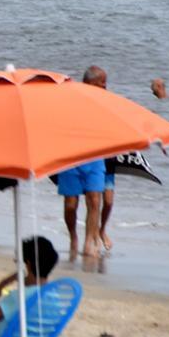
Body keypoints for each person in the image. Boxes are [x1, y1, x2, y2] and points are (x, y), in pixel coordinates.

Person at [56, 65, 110, 257]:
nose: (105, 86)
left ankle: (89, 241)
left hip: (95, 156)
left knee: (95, 200)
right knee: (71, 204)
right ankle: (73, 237)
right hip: (71, 156)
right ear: (89, 83)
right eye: (102, 82)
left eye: (105, 82)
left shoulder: (106, 101)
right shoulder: (72, 98)